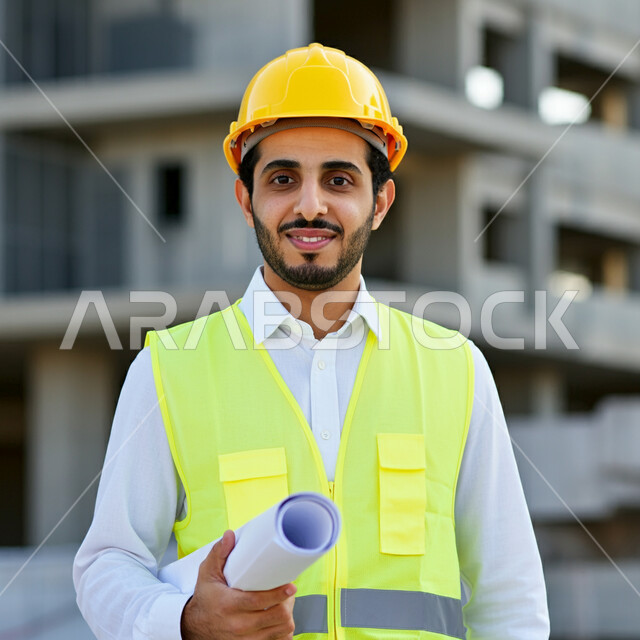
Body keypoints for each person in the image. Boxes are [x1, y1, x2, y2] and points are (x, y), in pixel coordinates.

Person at [74, 43, 550, 639]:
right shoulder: (169, 369)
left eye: (339, 179)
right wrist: (185, 621)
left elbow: (510, 599)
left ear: (379, 202)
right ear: (247, 200)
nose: (309, 205)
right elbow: (108, 564)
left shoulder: (456, 370)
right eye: (282, 178)